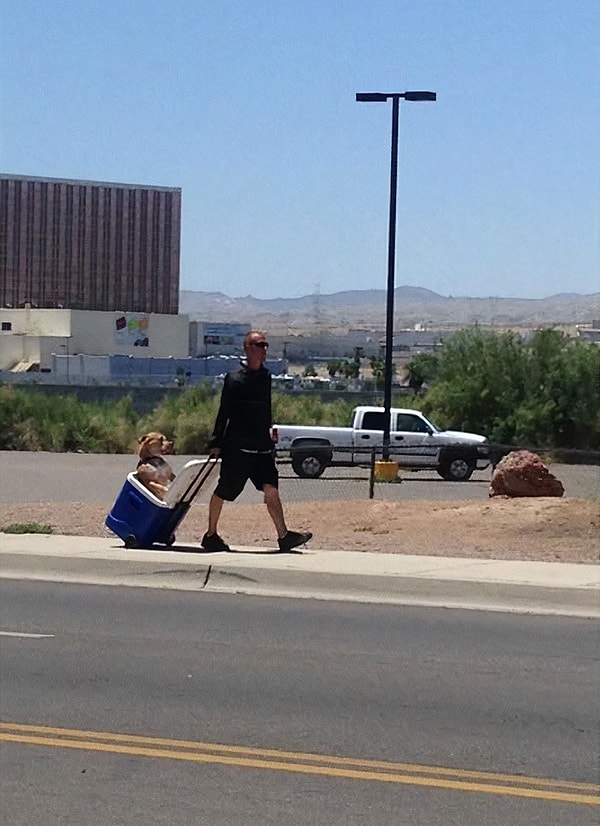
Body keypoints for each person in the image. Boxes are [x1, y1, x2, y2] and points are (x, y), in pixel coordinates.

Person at [202, 329, 312, 552]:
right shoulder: (234, 380)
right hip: (238, 449)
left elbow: (266, 409)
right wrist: (216, 442)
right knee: (224, 491)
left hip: (261, 448)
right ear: (248, 348)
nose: (265, 350)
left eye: (265, 345)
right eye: (260, 345)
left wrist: (269, 431)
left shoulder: (266, 377)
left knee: (271, 488)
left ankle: (284, 536)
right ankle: (211, 534)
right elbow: (225, 412)